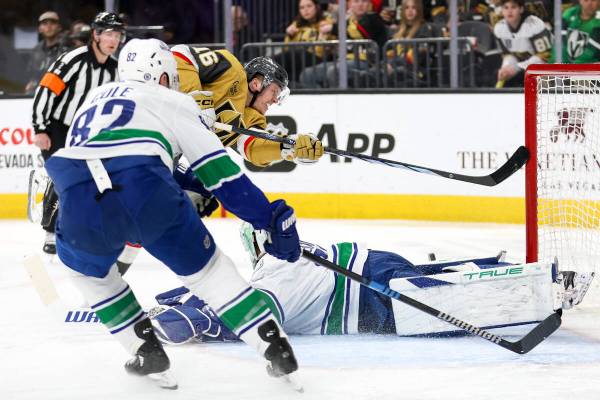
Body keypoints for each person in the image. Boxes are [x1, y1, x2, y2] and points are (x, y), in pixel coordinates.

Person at [43, 38, 302, 389]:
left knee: (88, 275)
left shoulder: (92, 100)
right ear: (163, 76)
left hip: (79, 191)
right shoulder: (176, 100)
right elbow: (223, 176)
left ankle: (143, 348)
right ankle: (275, 347)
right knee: (211, 275)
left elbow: (93, 153)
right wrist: (268, 218)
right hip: (146, 186)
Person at [148, 222, 595, 344]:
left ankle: (539, 283)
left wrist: (203, 317)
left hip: (366, 284)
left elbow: (252, 315)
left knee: (442, 288)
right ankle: (544, 284)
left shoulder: (271, 274)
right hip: (366, 285)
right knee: (443, 287)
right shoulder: (275, 269)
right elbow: (254, 313)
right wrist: (200, 314)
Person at [31, 11, 125, 254]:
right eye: (108, 34)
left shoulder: (116, 69)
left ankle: (85, 231)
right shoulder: (74, 60)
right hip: (58, 128)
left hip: (89, 132)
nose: (113, 40)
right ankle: (51, 232)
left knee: (95, 181)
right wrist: (40, 128)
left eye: (117, 35)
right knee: (63, 179)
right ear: (95, 35)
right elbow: (46, 90)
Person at [171, 44, 324, 169]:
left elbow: (252, 148)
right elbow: (181, 54)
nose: (275, 100)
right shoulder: (231, 71)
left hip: (168, 151)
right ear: (256, 83)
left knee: (201, 195)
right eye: (275, 92)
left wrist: (287, 147)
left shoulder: (250, 119)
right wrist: (198, 102)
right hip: (153, 117)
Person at [299, 0, 389, 88]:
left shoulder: (374, 18)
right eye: (356, 1)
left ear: (369, 4)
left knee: (334, 71)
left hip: (366, 61)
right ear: (349, 4)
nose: (360, 4)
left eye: (364, 1)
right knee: (307, 74)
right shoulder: (347, 21)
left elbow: (360, 31)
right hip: (342, 61)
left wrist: (333, 28)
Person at [274, 0, 337, 87]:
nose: (305, 10)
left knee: (297, 52)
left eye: (309, 6)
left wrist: (323, 36)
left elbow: (322, 50)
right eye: (302, 8)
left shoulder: (326, 22)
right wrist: (289, 36)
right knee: (286, 75)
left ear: (316, 7)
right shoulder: (296, 25)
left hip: (318, 59)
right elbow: (286, 48)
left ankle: (267, 66)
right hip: (298, 60)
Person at [493, 0, 552, 87]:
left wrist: (516, 67)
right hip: (523, 66)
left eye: (513, 7)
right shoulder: (499, 28)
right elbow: (507, 55)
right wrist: (506, 67)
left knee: (541, 79)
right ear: (502, 10)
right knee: (501, 76)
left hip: (549, 66)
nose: (509, 11)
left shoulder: (534, 24)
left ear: (521, 9)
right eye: (506, 8)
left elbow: (544, 57)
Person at [386, 0, 438, 86]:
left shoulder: (424, 28)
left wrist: (391, 64)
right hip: (396, 68)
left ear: (419, 10)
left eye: (413, 8)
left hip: (416, 72)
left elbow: (419, 54)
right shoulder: (397, 31)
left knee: (397, 72)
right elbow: (389, 52)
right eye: (407, 8)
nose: (410, 11)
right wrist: (387, 63)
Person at [25, 11, 69, 94]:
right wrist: (30, 84)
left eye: (52, 23)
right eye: (45, 23)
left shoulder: (67, 48)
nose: (49, 26)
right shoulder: (36, 50)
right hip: (38, 93)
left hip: (61, 93)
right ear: (40, 29)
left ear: (59, 27)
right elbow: (31, 75)